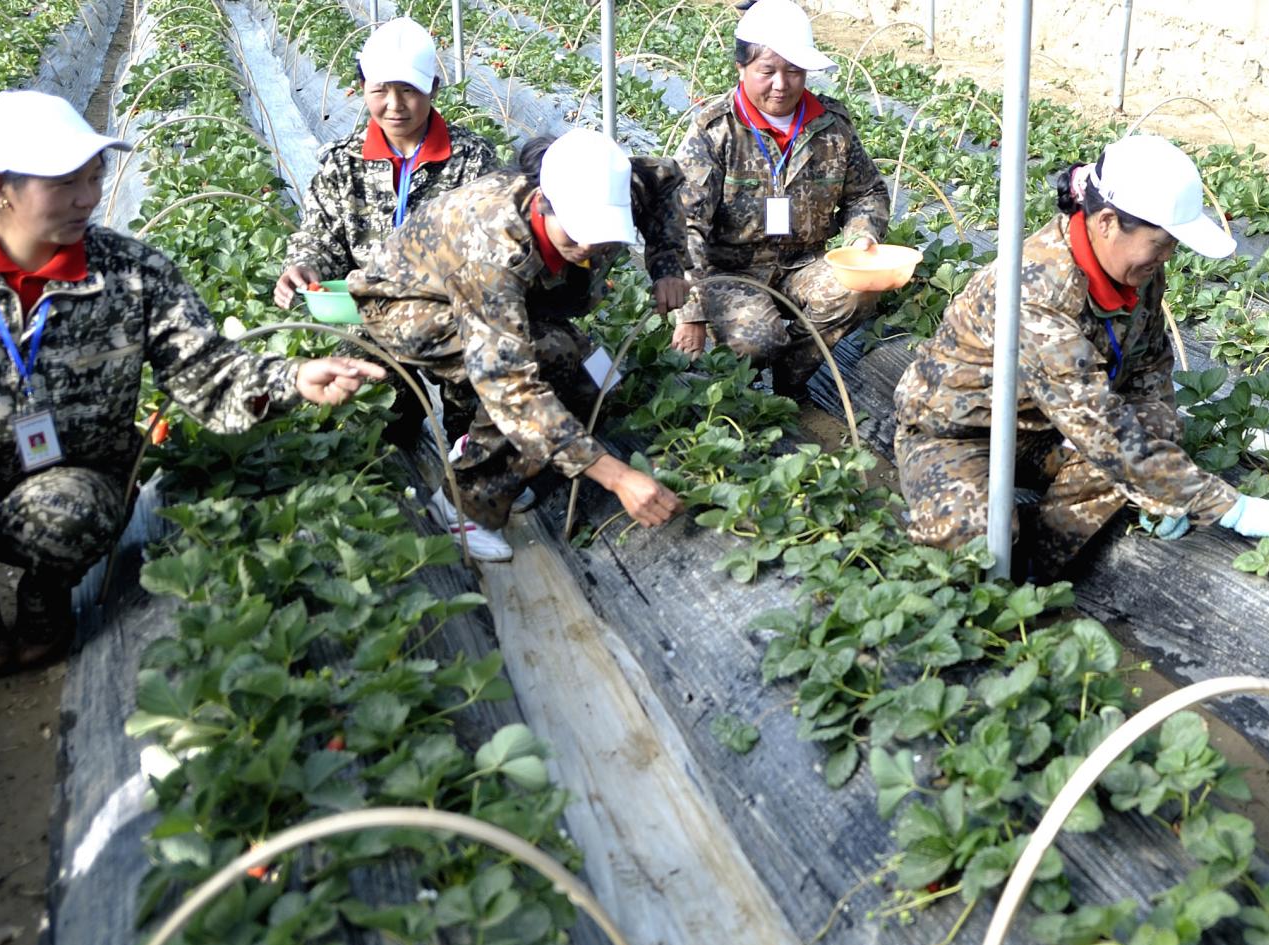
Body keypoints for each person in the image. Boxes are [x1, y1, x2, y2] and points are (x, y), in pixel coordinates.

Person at [0, 91, 385, 676]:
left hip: (68, 476)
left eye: (94, 177)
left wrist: (295, 376)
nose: (87, 199)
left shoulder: (133, 275)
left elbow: (207, 370)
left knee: (72, 511)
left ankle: (46, 598)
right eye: (64, 184)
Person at [892, 136, 1269, 580]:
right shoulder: (1037, 291)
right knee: (976, 539)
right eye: (1160, 243)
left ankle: (1037, 575)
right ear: (1106, 222)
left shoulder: (1137, 273)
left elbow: (1148, 370)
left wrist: (1166, 488)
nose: (1166, 257)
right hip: (959, 432)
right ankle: (988, 580)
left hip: (1044, 429)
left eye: (1172, 245)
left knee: (1153, 432)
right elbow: (1102, 430)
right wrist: (1227, 505)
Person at [348, 129, 692, 559]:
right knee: (548, 359)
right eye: (578, 229)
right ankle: (464, 503)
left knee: (598, 376)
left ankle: (506, 462)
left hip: (511, 297)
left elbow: (667, 181)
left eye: (602, 232)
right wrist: (618, 476)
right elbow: (509, 383)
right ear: (543, 201)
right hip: (410, 304)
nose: (588, 245)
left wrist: (667, 264)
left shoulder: (620, 181)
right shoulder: (493, 245)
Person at [670, 0, 889, 397]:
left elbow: (868, 191)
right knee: (759, 337)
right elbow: (685, 225)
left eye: (793, 72)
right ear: (741, 68)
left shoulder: (831, 127)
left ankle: (793, 377)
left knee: (858, 290)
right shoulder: (715, 131)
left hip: (801, 264)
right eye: (767, 71)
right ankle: (741, 388)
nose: (781, 85)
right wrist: (691, 313)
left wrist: (862, 235)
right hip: (731, 273)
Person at [273, 18, 499, 307]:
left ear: (433, 89)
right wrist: (306, 265)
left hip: (446, 323)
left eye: (408, 90)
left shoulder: (472, 161)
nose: (395, 105)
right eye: (380, 90)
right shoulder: (343, 163)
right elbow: (320, 237)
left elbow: (490, 250)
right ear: (363, 86)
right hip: (362, 321)